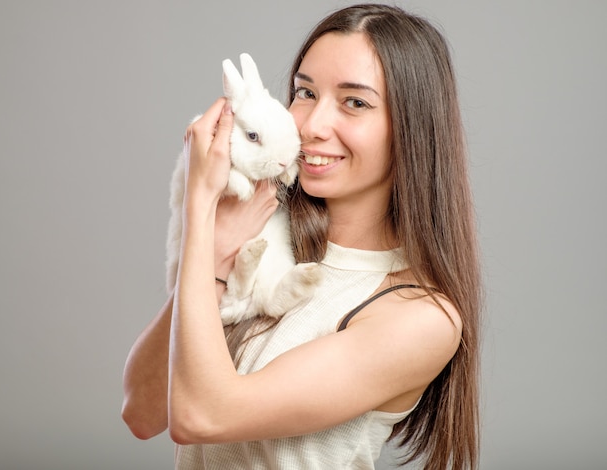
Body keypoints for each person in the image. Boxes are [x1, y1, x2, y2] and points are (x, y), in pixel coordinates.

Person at [122, 3, 481, 469]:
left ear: (412, 130)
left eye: (355, 102)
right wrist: (212, 253)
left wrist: (200, 207)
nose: (309, 125)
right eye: (305, 92)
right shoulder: (261, 233)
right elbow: (142, 411)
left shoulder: (418, 316)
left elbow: (201, 416)